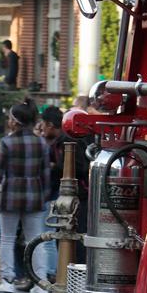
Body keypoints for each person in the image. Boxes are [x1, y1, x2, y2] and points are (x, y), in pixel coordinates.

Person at [0, 100, 53, 293]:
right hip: (35, 195)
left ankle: (7, 280)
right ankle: (41, 282)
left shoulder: (7, 143)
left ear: (15, 121)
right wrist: (44, 197)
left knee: (7, 239)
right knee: (36, 240)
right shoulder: (41, 143)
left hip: (10, 194)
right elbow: (46, 175)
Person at [40, 106, 90, 265]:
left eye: (43, 124)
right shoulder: (59, 142)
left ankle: (76, 273)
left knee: (76, 236)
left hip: (78, 196)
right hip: (74, 196)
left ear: (49, 124)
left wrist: (56, 167)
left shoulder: (68, 141)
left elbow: (80, 168)